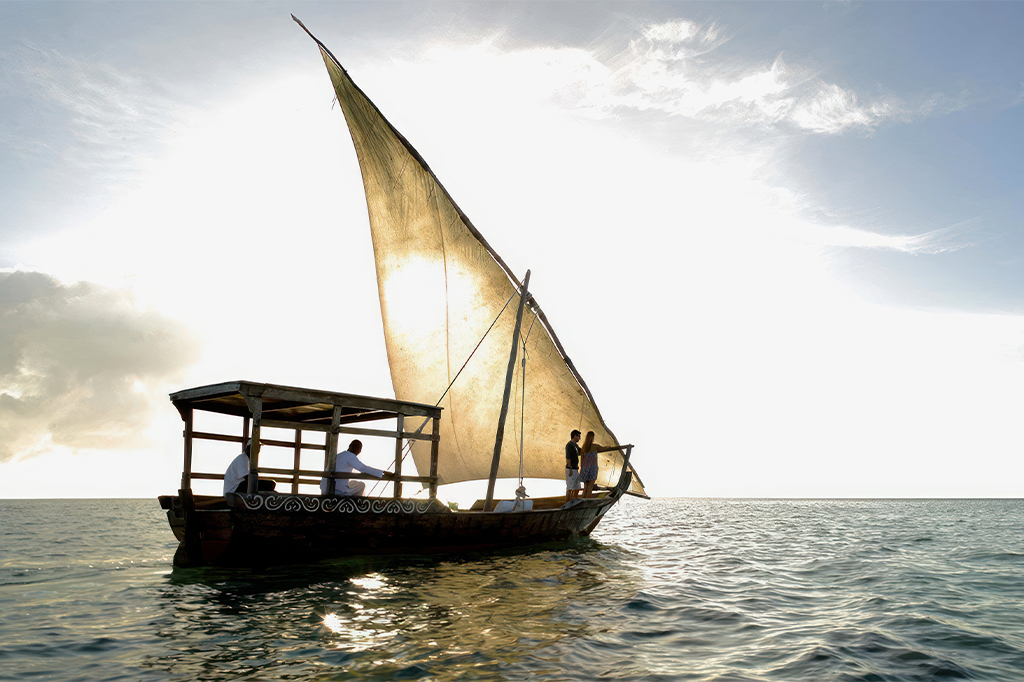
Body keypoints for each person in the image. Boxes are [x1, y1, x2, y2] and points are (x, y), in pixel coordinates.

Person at [321, 439, 392, 496]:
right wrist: (383, 472)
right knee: (361, 485)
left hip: (325, 488)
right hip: (335, 489)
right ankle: (357, 504)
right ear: (359, 451)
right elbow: (363, 468)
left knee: (353, 483)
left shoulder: (340, 455)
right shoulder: (350, 456)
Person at [579, 430, 620, 498]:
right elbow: (604, 448)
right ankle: (588, 501)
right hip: (592, 469)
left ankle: (583, 500)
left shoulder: (583, 448)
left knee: (585, 487)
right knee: (590, 487)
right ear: (592, 438)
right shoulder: (595, 446)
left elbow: (581, 460)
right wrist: (608, 447)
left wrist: (582, 469)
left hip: (585, 469)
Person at [565, 429, 582, 502]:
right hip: (571, 469)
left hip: (575, 469)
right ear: (574, 436)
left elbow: (581, 451)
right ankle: (568, 501)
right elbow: (568, 457)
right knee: (570, 487)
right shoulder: (569, 445)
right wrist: (570, 468)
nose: (579, 438)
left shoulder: (575, 446)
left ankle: (575, 500)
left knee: (577, 487)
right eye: (578, 436)